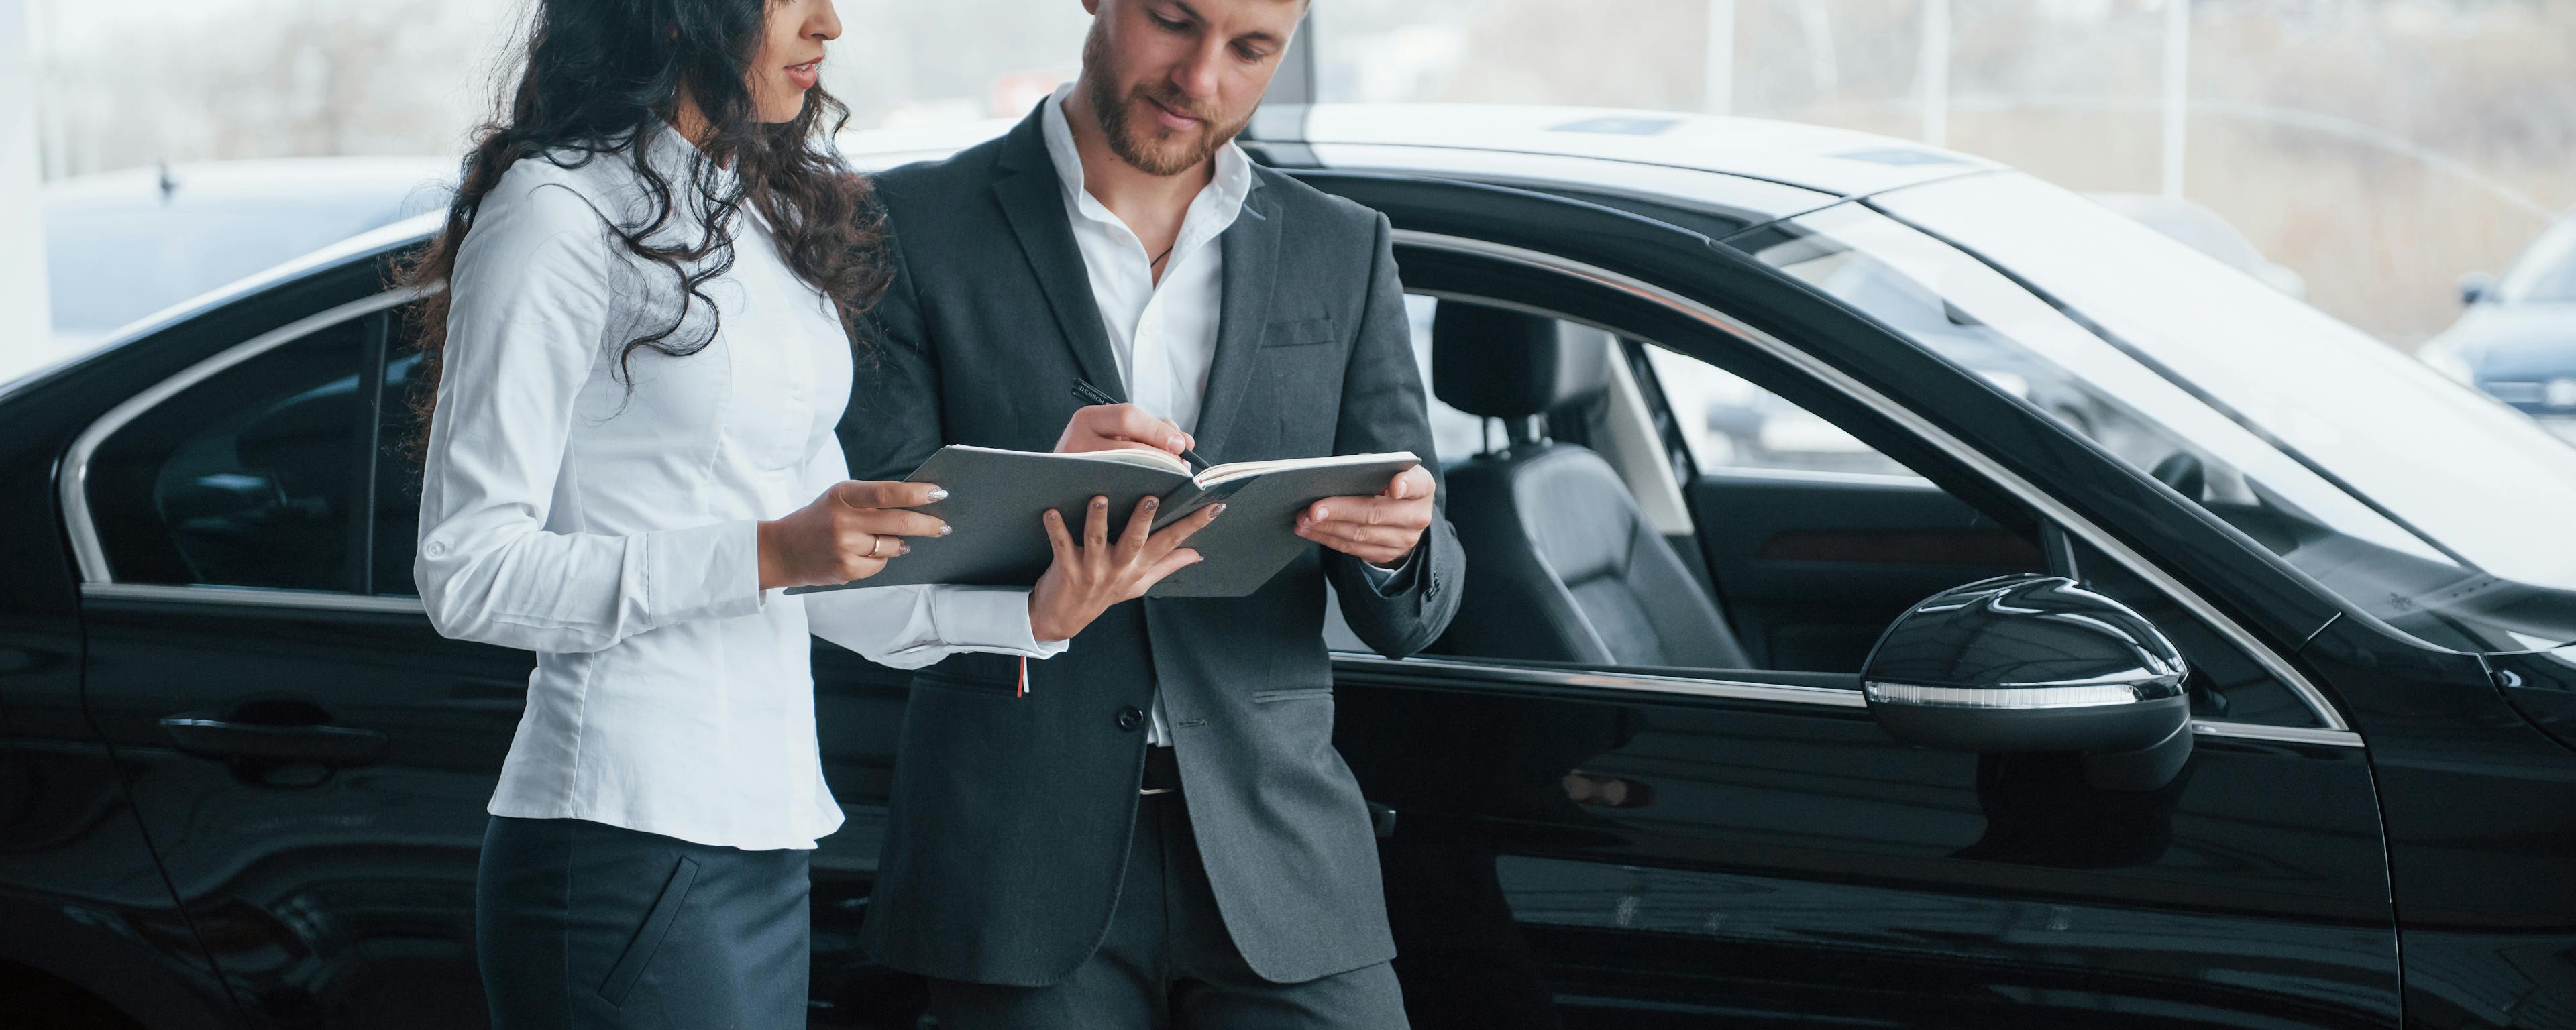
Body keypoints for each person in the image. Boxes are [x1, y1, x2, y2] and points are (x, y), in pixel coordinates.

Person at [398, 1, 1218, 1026]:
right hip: (618, 838)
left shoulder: (765, 218)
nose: (830, 24)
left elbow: (826, 550)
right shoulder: (555, 212)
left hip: (769, 841)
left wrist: (1029, 605)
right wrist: (769, 551)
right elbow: (469, 573)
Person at [846, 1, 1464, 1026]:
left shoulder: (1341, 248)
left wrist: (1398, 552)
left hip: (1283, 858)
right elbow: (867, 545)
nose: (1201, 76)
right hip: (1013, 861)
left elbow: (1418, 606)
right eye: (1174, 21)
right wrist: (1039, 480)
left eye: (1252, 49)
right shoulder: (906, 225)